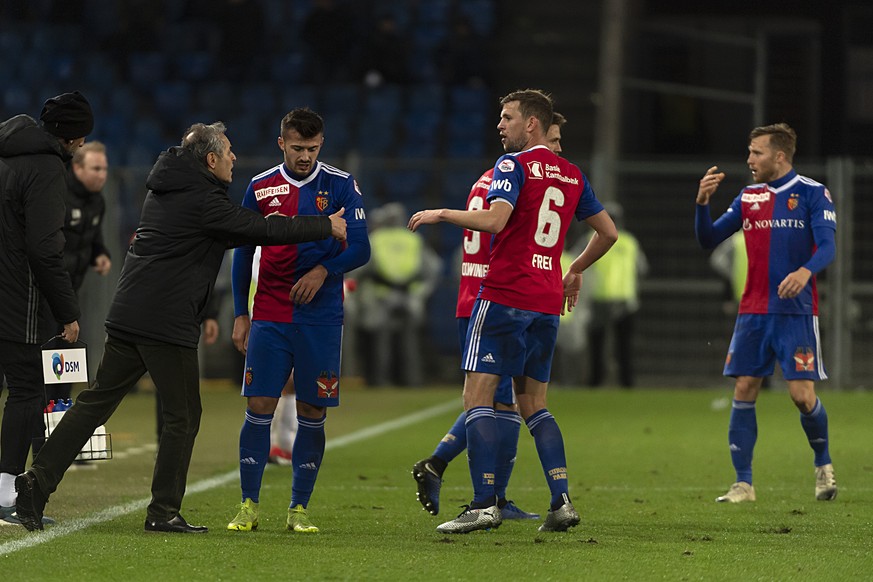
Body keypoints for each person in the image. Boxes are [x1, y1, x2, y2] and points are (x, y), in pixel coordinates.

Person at [14, 121, 348, 533]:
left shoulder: (167, 187)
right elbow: (261, 228)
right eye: (227, 152)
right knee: (183, 416)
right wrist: (323, 225)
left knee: (94, 404)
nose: (234, 158)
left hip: (129, 313)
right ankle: (163, 511)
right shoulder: (203, 201)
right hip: (164, 322)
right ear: (210, 160)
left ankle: (35, 483)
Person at [409, 90, 617, 533]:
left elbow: (495, 220)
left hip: (504, 294)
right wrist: (574, 268)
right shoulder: (572, 174)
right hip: (545, 301)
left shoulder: (513, 166)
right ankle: (561, 503)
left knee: (477, 397)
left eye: (507, 118)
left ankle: (484, 504)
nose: (500, 126)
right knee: (535, 405)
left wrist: (441, 213)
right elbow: (608, 232)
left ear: (531, 125)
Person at [411, 112, 569, 520]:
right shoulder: (512, 178)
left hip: (492, 297)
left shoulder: (497, 178)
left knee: (503, 403)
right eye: (553, 141)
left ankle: (487, 493)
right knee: (499, 402)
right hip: (494, 299)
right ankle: (479, 491)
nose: (557, 151)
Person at [226, 108, 370, 534]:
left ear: (320, 144)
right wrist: (240, 312)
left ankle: (298, 509)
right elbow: (243, 252)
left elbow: (361, 249)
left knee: (311, 408)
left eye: (311, 148)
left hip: (321, 317)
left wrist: (324, 270)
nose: (304, 156)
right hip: (270, 313)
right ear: (281, 143)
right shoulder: (260, 186)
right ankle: (248, 505)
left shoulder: (342, 185)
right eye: (297, 148)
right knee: (259, 405)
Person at [694, 122, 838, 504]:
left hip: (796, 312)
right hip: (753, 311)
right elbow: (709, 238)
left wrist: (805, 270)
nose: (749, 159)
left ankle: (823, 465)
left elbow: (827, 247)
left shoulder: (812, 193)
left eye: (756, 152)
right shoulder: (748, 196)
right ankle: (743, 483)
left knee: (801, 395)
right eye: (749, 151)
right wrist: (702, 204)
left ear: (779, 155)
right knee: (744, 388)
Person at [0, 91, 92, 526]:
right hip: (18, 295)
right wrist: (68, 311)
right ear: (74, 137)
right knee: (26, 390)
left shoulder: (6, 155)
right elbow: (43, 248)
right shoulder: (46, 167)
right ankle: (5, 496)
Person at [44, 141, 113, 410]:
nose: (102, 174)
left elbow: (94, 238)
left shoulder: (97, 202)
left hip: (70, 294)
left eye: (104, 169)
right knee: (47, 363)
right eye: (95, 168)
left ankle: (59, 415)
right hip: (45, 294)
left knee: (65, 363)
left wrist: (101, 254)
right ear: (77, 167)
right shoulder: (57, 196)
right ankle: (42, 429)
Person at [355, 202, 442, 387]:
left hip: (382, 293)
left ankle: (380, 381)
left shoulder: (375, 238)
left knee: (382, 342)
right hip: (409, 294)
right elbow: (434, 268)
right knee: (409, 341)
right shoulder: (413, 238)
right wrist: (419, 293)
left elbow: (360, 268)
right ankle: (413, 380)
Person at [584, 202, 648, 388]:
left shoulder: (591, 238)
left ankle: (600, 382)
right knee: (617, 345)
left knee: (611, 345)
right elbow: (641, 268)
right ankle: (622, 383)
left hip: (609, 298)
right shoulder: (629, 242)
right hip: (610, 299)